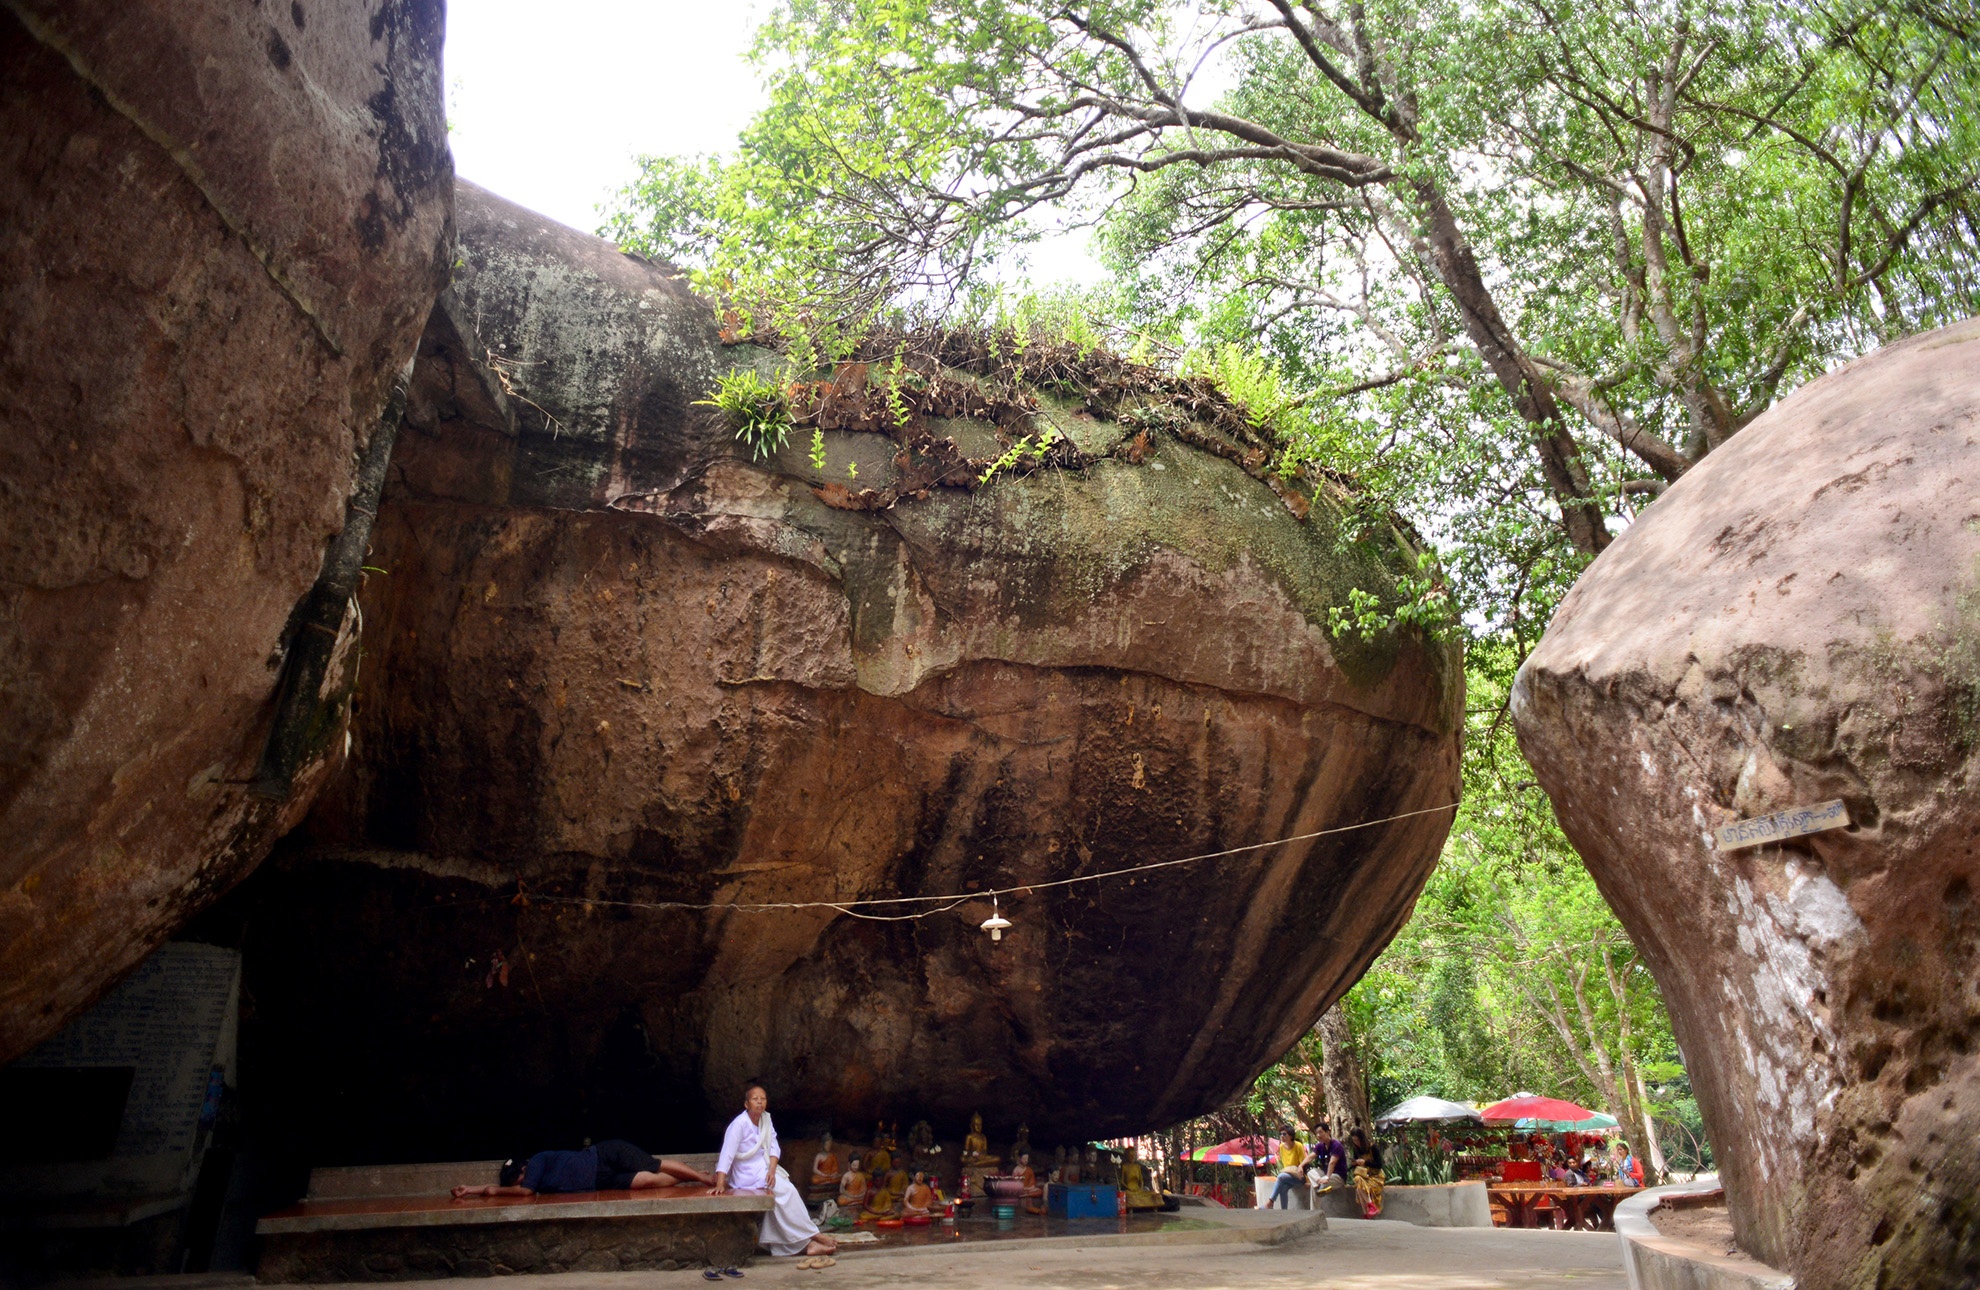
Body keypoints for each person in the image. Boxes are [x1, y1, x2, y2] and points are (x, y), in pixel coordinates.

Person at [711, 1084, 838, 1262]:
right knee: (787, 1192)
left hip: (764, 1170)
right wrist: (720, 1183)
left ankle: (807, 1245)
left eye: (763, 1099)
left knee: (784, 1196)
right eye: (755, 1099)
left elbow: (773, 1147)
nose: (760, 1102)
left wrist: (771, 1170)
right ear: (746, 1104)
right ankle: (814, 1235)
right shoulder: (738, 1124)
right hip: (746, 1175)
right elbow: (727, 1153)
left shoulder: (766, 1120)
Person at [452, 1140, 712, 1198]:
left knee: (654, 1165)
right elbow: (526, 1189)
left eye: (517, 1177)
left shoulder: (538, 1161)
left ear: (524, 1168)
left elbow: (526, 1191)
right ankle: (689, 1181)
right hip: (598, 1180)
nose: (518, 1182)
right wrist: (472, 1190)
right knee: (648, 1181)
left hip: (604, 1155)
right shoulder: (537, 1177)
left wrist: (490, 1190)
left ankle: (703, 1178)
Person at [1266, 1126, 1307, 1209]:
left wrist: (1307, 1180)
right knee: (1283, 1188)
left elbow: (1304, 1163)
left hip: (1299, 1176)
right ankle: (1284, 1211)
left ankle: (1271, 1201)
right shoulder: (1281, 1147)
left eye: (1284, 1134)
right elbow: (1285, 1165)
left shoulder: (1298, 1146)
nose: (1282, 1136)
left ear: (1291, 1136)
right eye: (1280, 1134)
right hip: (1288, 1175)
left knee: (1281, 1177)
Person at [1349, 1127, 1384, 1218]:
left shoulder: (1372, 1147)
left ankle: (1367, 1211)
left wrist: (1366, 1163)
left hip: (1376, 1176)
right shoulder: (1356, 1150)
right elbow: (1355, 1166)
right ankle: (1369, 1208)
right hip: (1364, 1176)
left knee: (1359, 1187)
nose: (1356, 1143)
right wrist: (1355, 1163)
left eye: (1357, 1140)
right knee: (1357, 1180)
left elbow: (1379, 1164)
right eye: (1354, 1141)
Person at [1306, 1128, 1349, 1195]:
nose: (1318, 1135)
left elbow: (1332, 1162)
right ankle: (1320, 1184)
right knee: (1310, 1172)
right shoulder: (1320, 1146)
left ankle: (1321, 1185)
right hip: (1325, 1176)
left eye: (1320, 1132)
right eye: (1317, 1133)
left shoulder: (1336, 1145)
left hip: (1337, 1177)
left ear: (1328, 1132)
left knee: (1313, 1186)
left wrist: (1327, 1177)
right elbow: (1310, 1157)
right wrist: (1300, 1166)